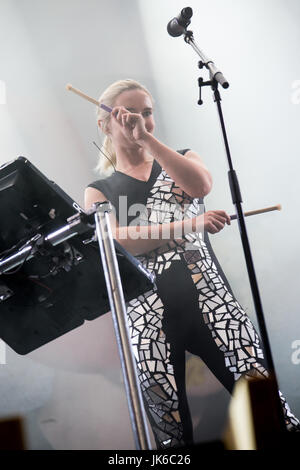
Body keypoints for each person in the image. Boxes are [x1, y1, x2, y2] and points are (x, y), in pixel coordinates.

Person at [85, 79, 300, 449]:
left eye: (147, 112)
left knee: (269, 408)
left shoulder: (182, 157)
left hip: (211, 302)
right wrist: (190, 224)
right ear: (105, 123)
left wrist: (146, 140)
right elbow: (118, 243)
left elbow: (200, 187)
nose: (140, 119)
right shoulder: (99, 191)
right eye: (130, 113)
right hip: (146, 318)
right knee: (171, 436)